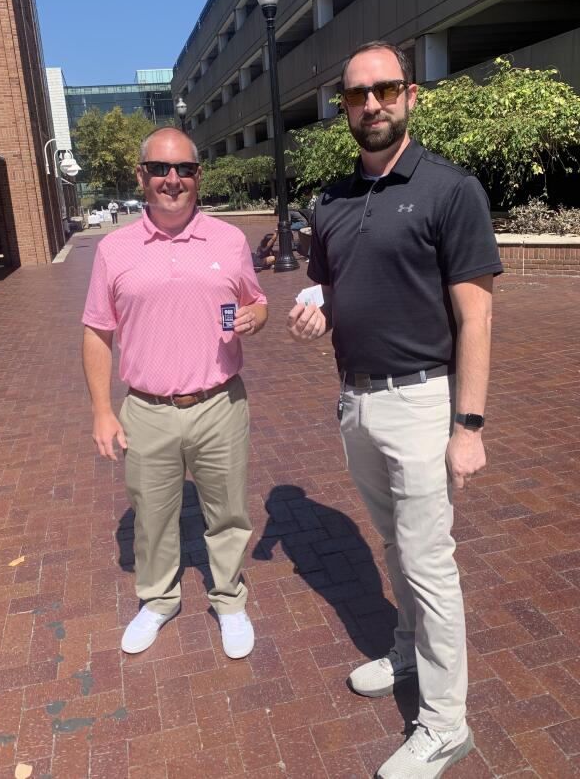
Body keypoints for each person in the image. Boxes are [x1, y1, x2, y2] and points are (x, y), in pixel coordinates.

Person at [287, 41, 502, 779]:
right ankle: (407, 649)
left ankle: (445, 724)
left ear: (410, 95)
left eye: (384, 90)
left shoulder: (450, 189)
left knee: (428, 561)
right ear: (343, 107)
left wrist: (468, 426)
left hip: (422, 401)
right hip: (356, 402)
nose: (371, 104)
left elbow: (476, 317)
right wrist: (316, 313)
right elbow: (330, 288)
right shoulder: (333, 200)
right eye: (357, 95)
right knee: (392, 543)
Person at [82, 127, 268, 660]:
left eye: (184, 169)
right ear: (141, 176)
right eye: (160, 169)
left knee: (228, 513)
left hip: (220, 404)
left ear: (197, 176)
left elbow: (256, 301)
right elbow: (97, 331)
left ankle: (229, 599)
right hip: (147, 410)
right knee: (153, 516)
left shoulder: (228, 240)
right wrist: (102, 411)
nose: (172, 179)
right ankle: (158, 600)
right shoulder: (114, 250)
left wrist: (255, 317)